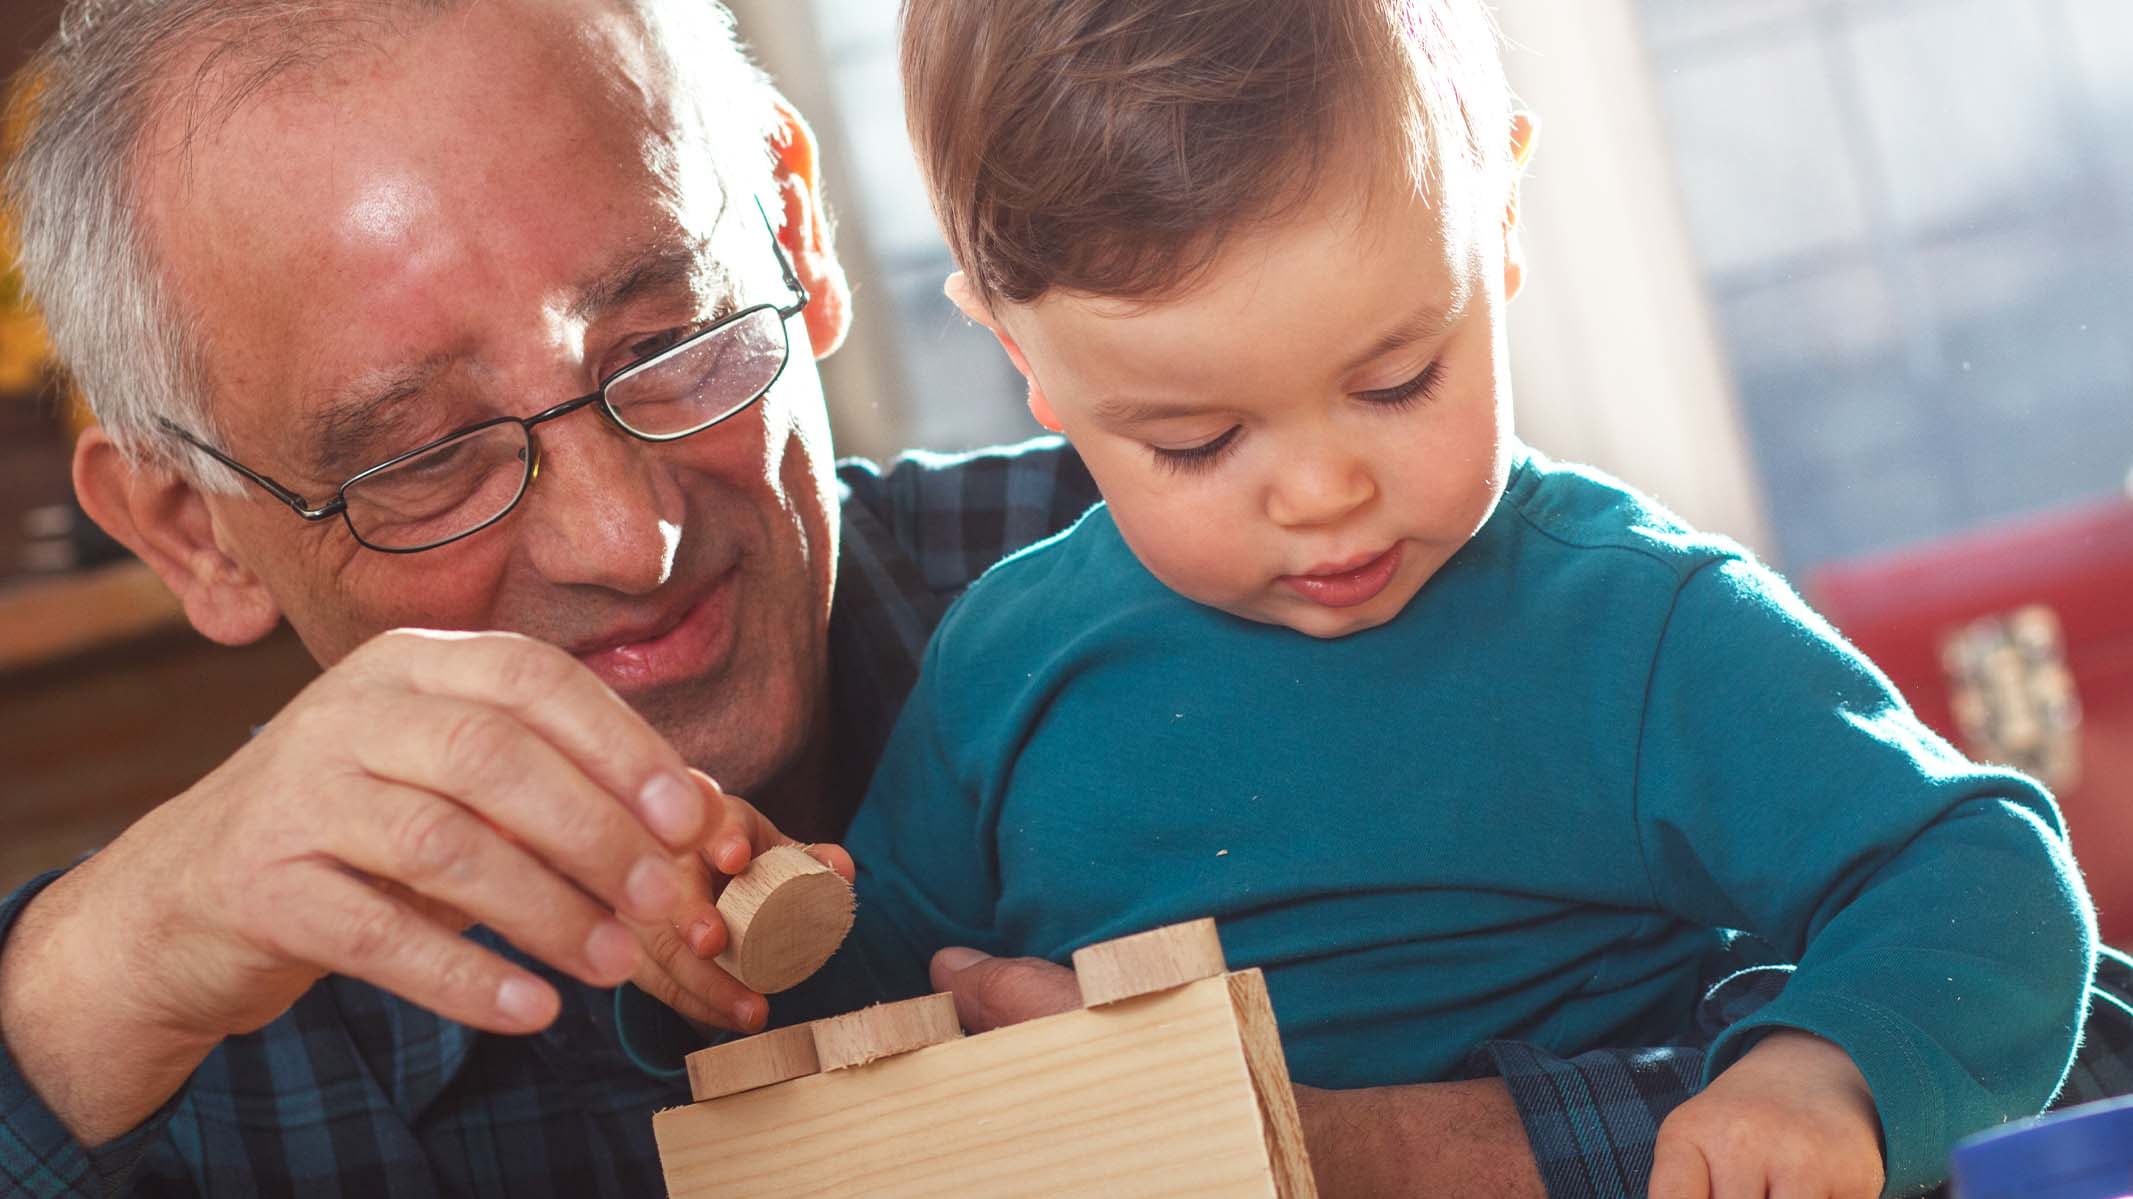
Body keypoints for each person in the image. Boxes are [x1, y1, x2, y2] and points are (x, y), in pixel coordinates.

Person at [0, 1, 2126, 1197]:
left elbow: (2071, 1044)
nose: (617, 533)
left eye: (671, 339)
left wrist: (1357, 1146)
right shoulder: (196, 1029)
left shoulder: (1296, 556)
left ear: (802, 242)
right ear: (187, 528)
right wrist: (74, 985)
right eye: (421, 456)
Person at [821, 1, 2101, 1196]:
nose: (1323, 493)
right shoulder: (1001, 664)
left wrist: (1823, 1067)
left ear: (1501, 220)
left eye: (1395, 380)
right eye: (1198, 440)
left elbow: (1979, 869)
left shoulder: (1642, 627)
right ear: (1018, 354)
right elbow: (850, 1007)